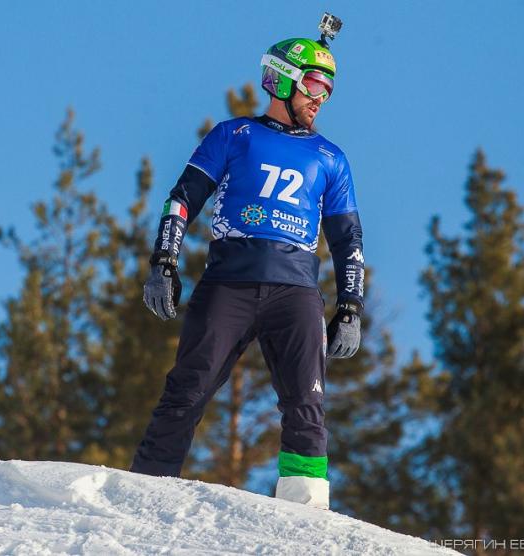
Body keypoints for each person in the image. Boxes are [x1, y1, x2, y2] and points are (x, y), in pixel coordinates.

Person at [130, 37, 365, 510]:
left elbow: (349, 239)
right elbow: (182, 200)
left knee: (306, 403)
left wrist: (351, 305)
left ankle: (305, 513)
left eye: (329, 90)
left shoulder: (331, 158)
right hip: (228, 285)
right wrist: (164, 262)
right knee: (187, 389)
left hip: (296, 291)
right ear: (281, 80)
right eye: (314, 84)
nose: (321, 98)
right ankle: (146, 492)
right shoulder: (233, 135)